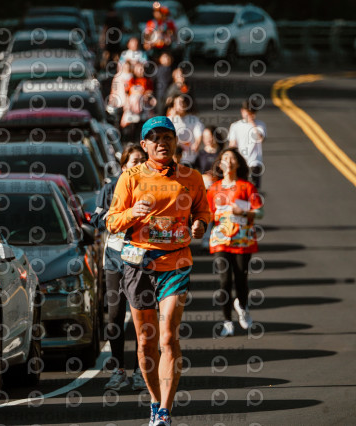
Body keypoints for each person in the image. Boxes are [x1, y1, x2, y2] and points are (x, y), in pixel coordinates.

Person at [107, 117, 211, 426]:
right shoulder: (130, 177)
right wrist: (132, 213)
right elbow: (112, 222)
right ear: (144, 145)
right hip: (139, 264)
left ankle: (165, 410)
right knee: (146, 341)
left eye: (167, 137)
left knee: (167, 337)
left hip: (175, 262)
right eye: (155, 138)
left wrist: (200, 224)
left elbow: (202, 210)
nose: (162, 143)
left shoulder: (191, 177)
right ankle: (154, 401)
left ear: (176, 141)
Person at [90, 144, 148, 391]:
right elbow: (95, 218)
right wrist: (116, 218)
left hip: (142, 258)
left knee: (140, 316)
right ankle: (118, 369)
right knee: (114, 314)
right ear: (124, 166)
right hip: (114, 257)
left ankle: (140, 371)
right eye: (134, 161)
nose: (139, 165)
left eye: (142, 160)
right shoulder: (110, 188)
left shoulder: (152, 186)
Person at [206, 148, 264, 337]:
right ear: (220, 164)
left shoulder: (246, 187)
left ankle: (243, 306)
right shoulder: (214, 189)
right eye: (225, 158)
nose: (229, 162)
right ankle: (227, 321)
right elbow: (206, 213)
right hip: (221, 240)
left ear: (238, 164)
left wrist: (244, 212)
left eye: (232, 159)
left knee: (241, 278)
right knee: (224, 280)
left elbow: (260, 212)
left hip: (242, 239)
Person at [228, 100, 266, 189]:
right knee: (239, 189)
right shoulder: (235, 126)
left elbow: (260, 138)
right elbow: (232, 145)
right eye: (247, 112)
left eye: (251, 113)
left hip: (254, 163)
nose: (248, 115)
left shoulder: (260, 125)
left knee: (253, 189)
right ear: (242, 111)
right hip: (240, 163)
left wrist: (253, 124)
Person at [167, 94, 204, 167]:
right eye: (179, 103)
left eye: (183, 102)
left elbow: (198, 132)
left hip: (190, 158)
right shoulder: (169, 120)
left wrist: (197, 143)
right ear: (174, 106)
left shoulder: (193, 119)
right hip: (174, 159)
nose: (182, 105)